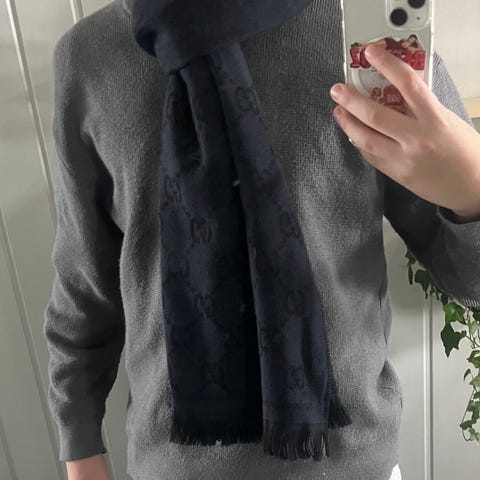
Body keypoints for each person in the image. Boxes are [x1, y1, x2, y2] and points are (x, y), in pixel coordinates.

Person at [43, 0, 480, 479]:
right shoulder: (89, 57)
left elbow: (468, 282)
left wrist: (474, 192)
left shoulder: (370, 40)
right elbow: (84, 285)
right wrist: (81, 450)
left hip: (353, 466)